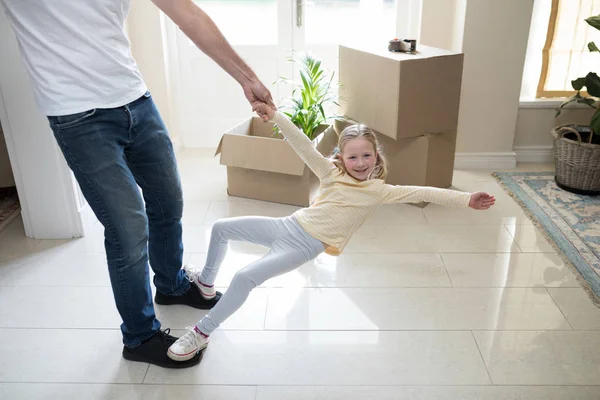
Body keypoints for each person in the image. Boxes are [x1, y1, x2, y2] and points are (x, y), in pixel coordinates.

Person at [0, 0, 276, 369]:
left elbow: (188, 15)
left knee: (168, 200)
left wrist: (247, 78)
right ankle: (139, 335)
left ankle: (172, 284)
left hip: (135, 99)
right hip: (76, 114)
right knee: (128, 228)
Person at [166, 103, 496, 361]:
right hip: (287, 225)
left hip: (304, 245)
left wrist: (467, 199)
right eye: (353, 156)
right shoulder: (330, 173)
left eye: (367, 155)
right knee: (222, 228)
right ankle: (206, 286)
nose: (361, 162)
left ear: (376, 156)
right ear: (342, 157)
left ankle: (201, 333)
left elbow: (424, 191)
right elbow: (302, 145)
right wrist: (275, 116)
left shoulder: (380, 191)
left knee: (243, 278)